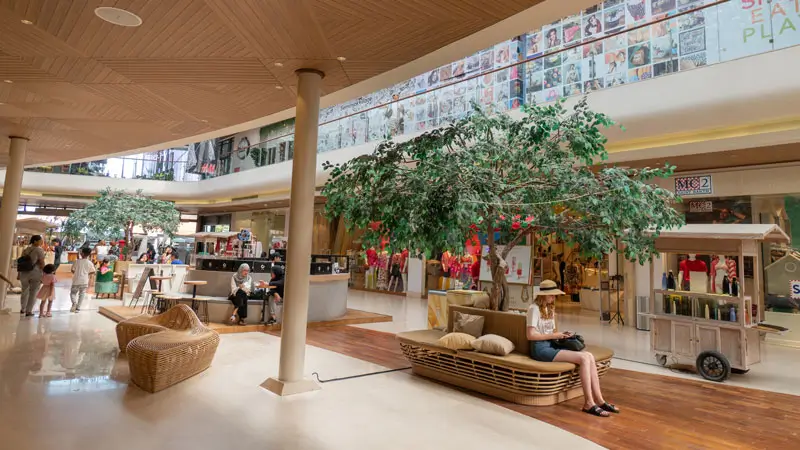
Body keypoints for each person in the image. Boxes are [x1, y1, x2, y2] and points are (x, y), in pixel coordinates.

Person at [527, 279, 618, 417]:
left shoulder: (549, 308)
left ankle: (599, 400)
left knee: (589, 356)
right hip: (540, 349)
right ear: (542, 295)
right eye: (551, 294)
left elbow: (550, 333)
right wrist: (555, 334)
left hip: (551, 345)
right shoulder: (534, 309)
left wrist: (562, 335)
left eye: (554, 294)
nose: (554, 297)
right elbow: (530, 335)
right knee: (583, 358)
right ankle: (588, 403)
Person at [19, 235, 46, 317]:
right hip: (35, 273)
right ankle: (29, 311)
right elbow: (41, 263)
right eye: (40, 241)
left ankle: (23, 309)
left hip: (24, 273)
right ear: (35, 241)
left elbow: (21, 262)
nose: (42, 242)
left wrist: (18, 274)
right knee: (33, 292)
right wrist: (44, 273)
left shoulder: (26, 250)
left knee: (24, 291)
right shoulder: (39, 250)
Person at [70, 247, 96, 313]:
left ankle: (74, 303)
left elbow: (72, 270)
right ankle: (78, 308)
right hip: (84, 281)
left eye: (81, 252)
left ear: (82, 254)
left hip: (76, 280)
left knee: (73, 293)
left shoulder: (77, 261)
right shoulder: (89, 263)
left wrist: (76, 273)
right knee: (82, 294)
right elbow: (93, 271)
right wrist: (87, 274)